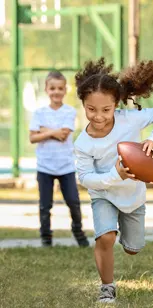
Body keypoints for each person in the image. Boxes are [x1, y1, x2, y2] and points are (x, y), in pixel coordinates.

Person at [74, 57, 153, 303]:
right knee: (105, 237)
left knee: (132, 249)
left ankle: (126, 237)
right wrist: (114, 176)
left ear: (116, 104)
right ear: (83, 104)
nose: (98, 116)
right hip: (104, 194)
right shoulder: (83, 143)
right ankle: (107, 287)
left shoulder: (129, 118)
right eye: (91, 109)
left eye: (106, 110)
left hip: (132, 196)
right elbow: (85, 178)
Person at [29, 71, 89, 248]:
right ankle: (46, 238)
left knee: (73, 202)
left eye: (60, 88)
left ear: (65, 90)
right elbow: (32, 137)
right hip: (44, 167)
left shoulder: (69, 111)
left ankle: (79, 233)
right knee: (45, 206)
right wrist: (53, 131)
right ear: (47, 89)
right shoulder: (39, 112)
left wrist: (44, 131)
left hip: (66, 167)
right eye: (52, 88)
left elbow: (63, 135)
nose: (56, 92)